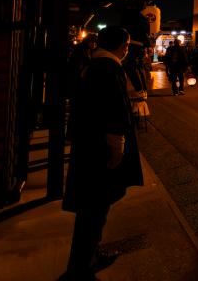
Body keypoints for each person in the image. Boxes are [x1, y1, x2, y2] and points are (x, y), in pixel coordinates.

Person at [60, 26, 143, 280]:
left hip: (88, 146)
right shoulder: (109, 69)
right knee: (95, 207)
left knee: (91, 208)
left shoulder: (93, 66)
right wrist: (117, 148)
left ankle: (86, 256)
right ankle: (82, 265)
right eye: (126, 44)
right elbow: (114, 111)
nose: (127, 49)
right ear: (121, 45)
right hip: (101, 150)